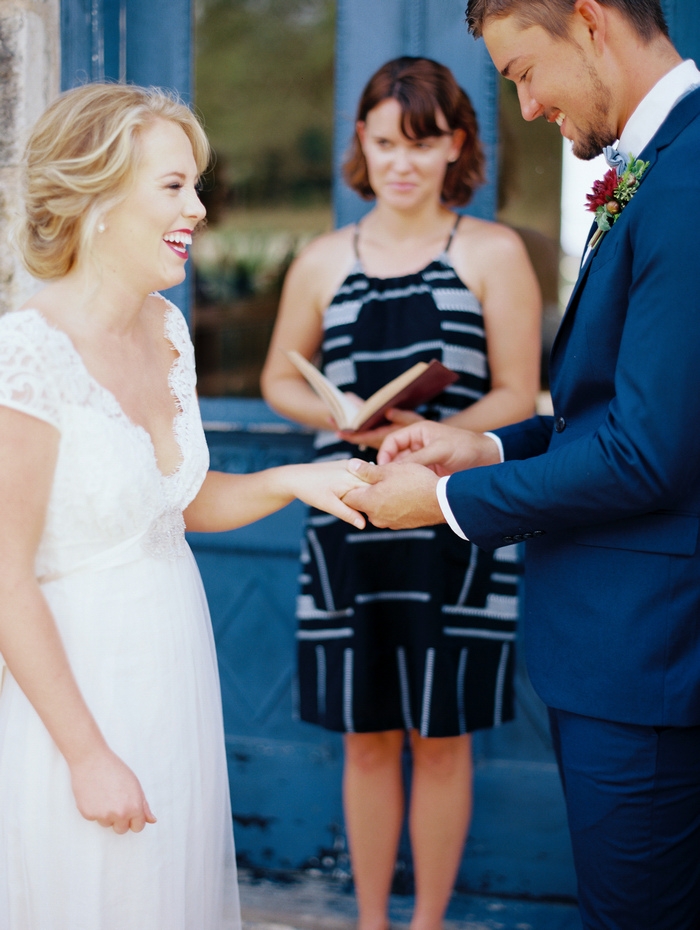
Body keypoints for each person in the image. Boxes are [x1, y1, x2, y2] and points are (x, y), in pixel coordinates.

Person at [341, 3, 700, 928]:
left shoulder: (688, 180)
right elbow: (627, 415)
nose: (529, 106)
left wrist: (449, 499)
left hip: (652, 658)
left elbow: (646, 456)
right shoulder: (660, 167)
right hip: (632, 652)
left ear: (588, 20)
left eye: (521, 73)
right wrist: (491, 444)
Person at [0, 82, 369, 930]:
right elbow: (7, 578)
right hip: (80, 698)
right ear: (97, 195)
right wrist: (88, 757)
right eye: (174, 186)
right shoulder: (29, 352)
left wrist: (292, 482)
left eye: (196, 185)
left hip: (174, 677)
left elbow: (174, 504)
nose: (199, 209)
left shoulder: (166, 331)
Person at [261, 57, 540, 930]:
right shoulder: (319, 259)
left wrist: (431, 439)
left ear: (457, 143)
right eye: (385, 143)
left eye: (423, 143)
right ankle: (373, 923)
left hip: (455, 520)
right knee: (366, 736)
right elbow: (276, 378)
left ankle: (426, 926)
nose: (403, 162)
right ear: (362, 145)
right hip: (349, 518)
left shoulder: (493, 252)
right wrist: (342, 419)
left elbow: (518, 393)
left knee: (444, 737)